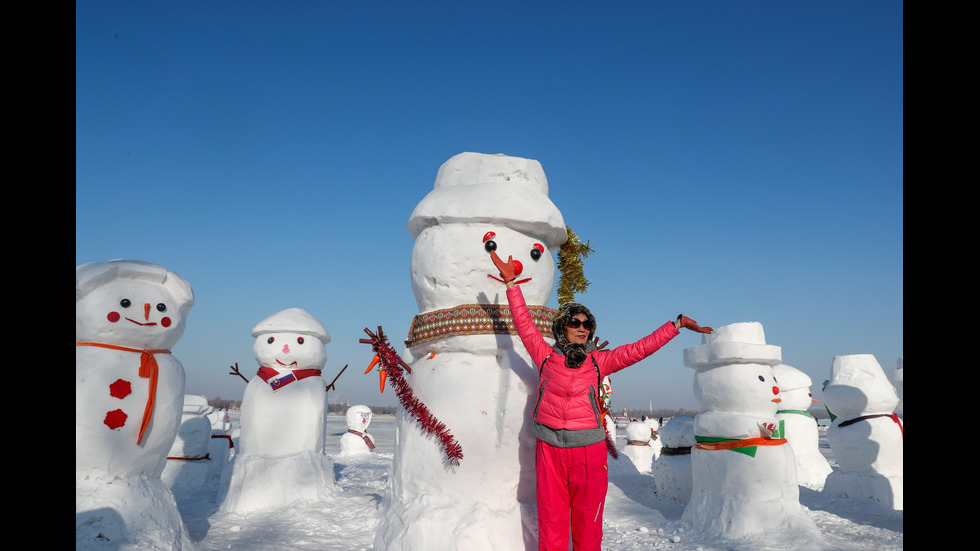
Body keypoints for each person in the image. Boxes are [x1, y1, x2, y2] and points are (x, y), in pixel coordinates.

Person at [489, 250, 712, 551]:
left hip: (589, 452)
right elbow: (524, 324)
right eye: (575, 322)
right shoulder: (544, 357)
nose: (582, 328)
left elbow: (639, 349)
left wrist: (675, 325)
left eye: (587, 324)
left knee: (587, 525)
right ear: (561, 327)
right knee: (552, 524)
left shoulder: (599, 362)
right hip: (550, 450)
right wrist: (512, 285)